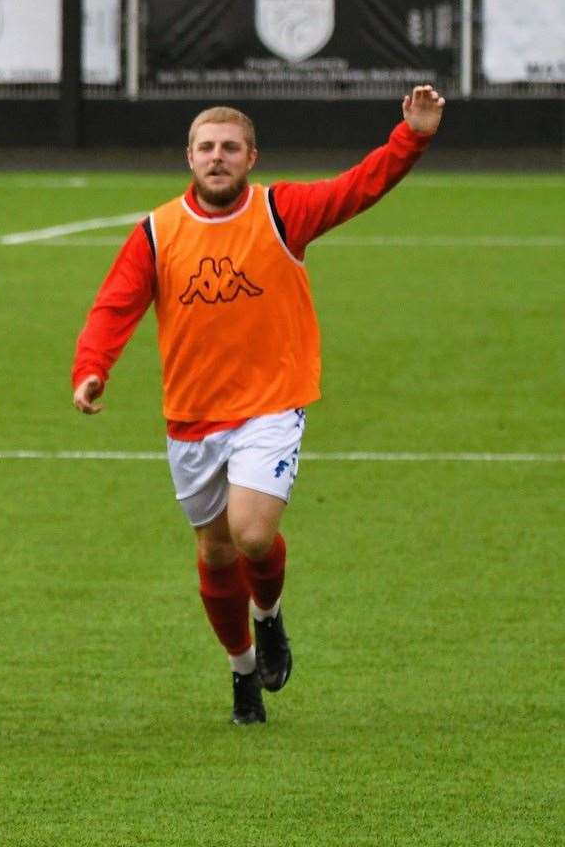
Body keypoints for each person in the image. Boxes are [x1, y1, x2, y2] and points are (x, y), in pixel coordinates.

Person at [69, 87, 446, 725]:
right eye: (207, 148)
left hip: (271, 405)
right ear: (188, 155)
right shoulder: (158, 231)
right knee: (215, 554)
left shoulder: (283, 211)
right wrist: (91, 370)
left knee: (251, 534)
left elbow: (359, 186)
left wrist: (411, 134)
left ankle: (268, 618)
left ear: (252, 157)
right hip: (191, 417)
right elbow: (115, 305)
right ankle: (243, 669)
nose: (218, 158)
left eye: (231, 148)